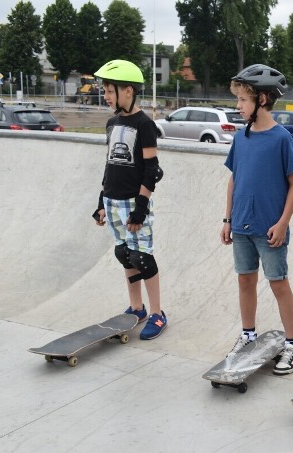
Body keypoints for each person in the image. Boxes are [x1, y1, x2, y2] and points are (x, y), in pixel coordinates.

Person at [221, 64, 293, 375]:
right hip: (241, 225)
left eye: (243, 100)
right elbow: (233, 179)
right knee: (245, 280)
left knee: (278, 283)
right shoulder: (241, 138)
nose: (238, 106)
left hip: (270, 229)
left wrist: (282, 223)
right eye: (238, 99)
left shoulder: (281, 138)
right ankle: (248, 335)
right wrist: (227, 219)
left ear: (264, 99)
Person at [92, 59, 167, 340]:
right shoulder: (112, 123)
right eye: (105, 91)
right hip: (112, 199)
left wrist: (142, 206)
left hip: (133, 202)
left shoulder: (145, 125)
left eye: (110, 91)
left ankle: (158, 314)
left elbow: (151, 168)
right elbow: (109, 163)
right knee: (124, 255)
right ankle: (137, 308)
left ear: (128, 91)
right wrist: (102, 201)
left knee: (143, 257)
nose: (106, 96)